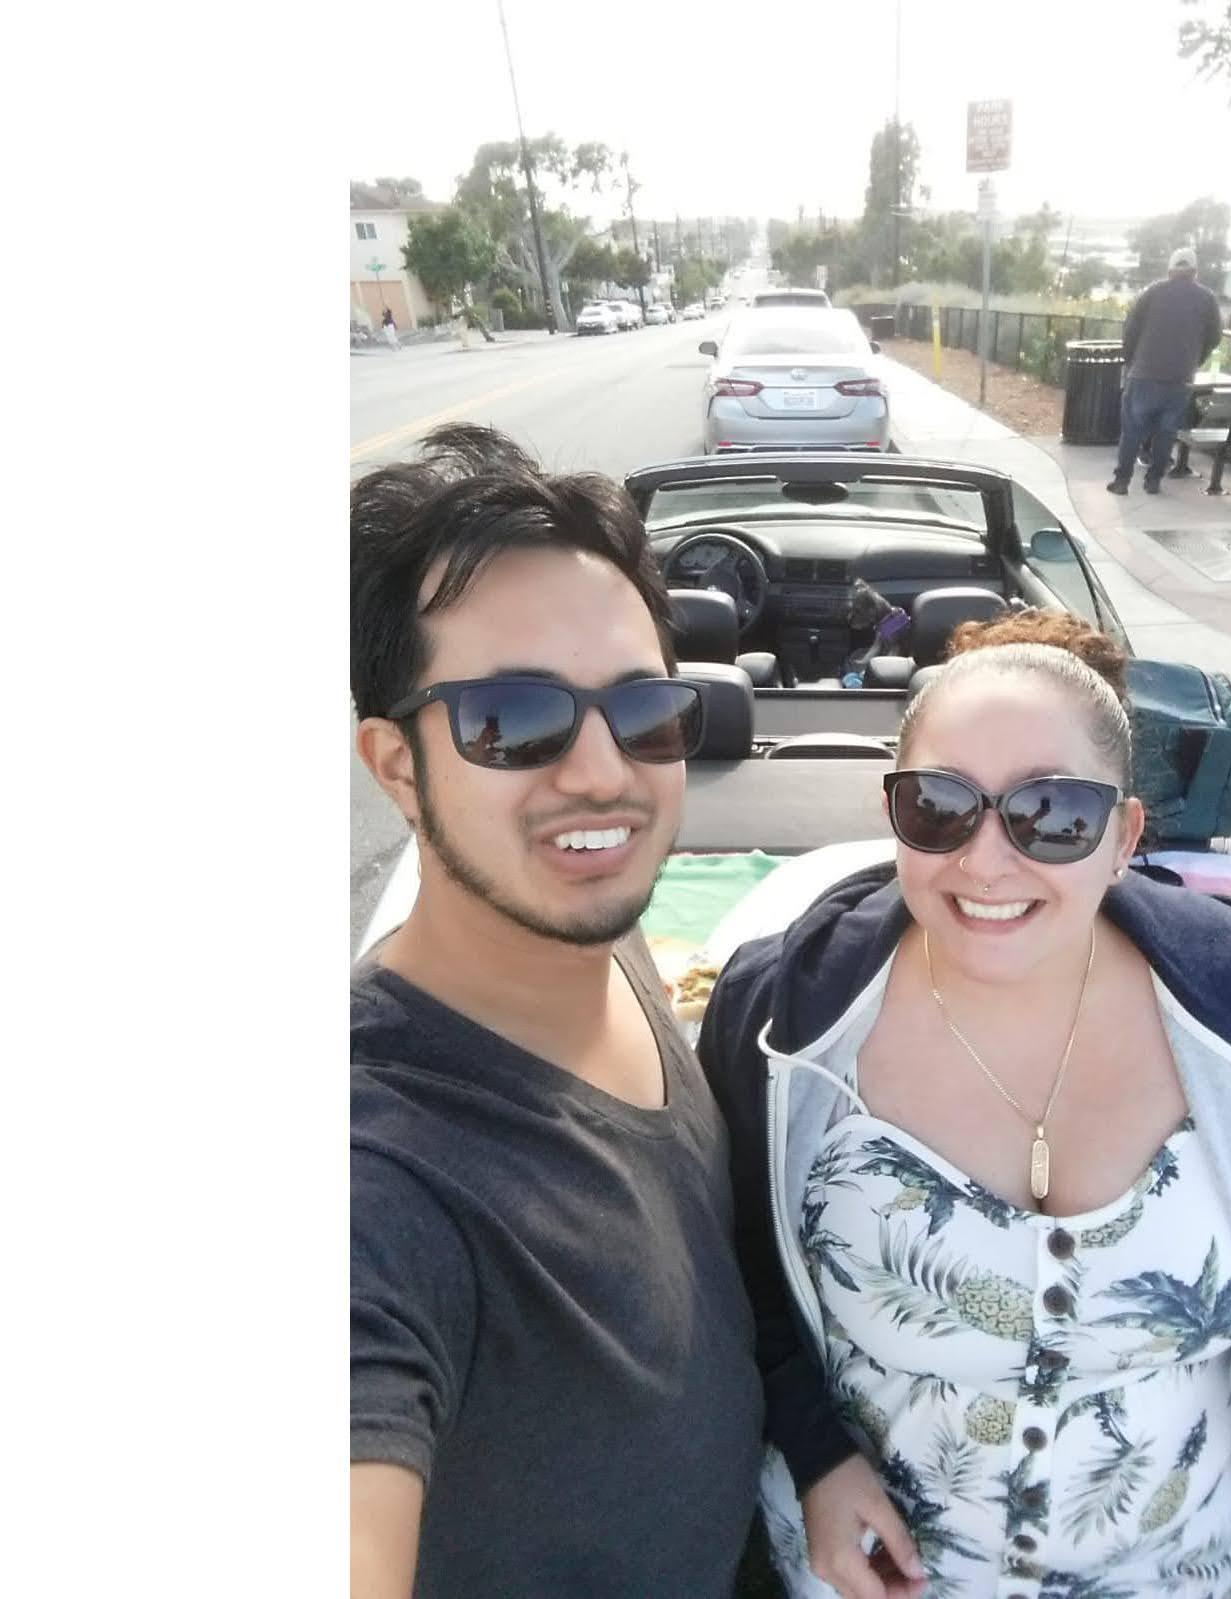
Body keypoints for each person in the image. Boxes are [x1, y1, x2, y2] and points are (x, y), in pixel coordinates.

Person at [700, 617, 1231, 1598]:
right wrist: (817, 1456)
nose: (986, 860)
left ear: (1124, 836)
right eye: (939, 805)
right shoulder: (779, 1018)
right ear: (892, 810)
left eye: (1052, 813)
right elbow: (733, 1268)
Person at [349, 423, 764, 1598]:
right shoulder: (377, 1176)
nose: (601, 775)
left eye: (644, 712)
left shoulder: (600, 933)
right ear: (396, 766)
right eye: (513, 720)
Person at [1108, 246, 1223, 496]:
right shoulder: (1207, 299)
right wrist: (1195, 359)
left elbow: (1130, 329)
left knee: (1132, 432)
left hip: (1144, 375)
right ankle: (1153, 481)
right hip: (1180, 378)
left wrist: (1131, 361)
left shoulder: (1152, 292)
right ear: (1195, 272)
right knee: (1166, 433)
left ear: (1170, 270)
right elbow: (1215, 336)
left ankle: (1122, 481)